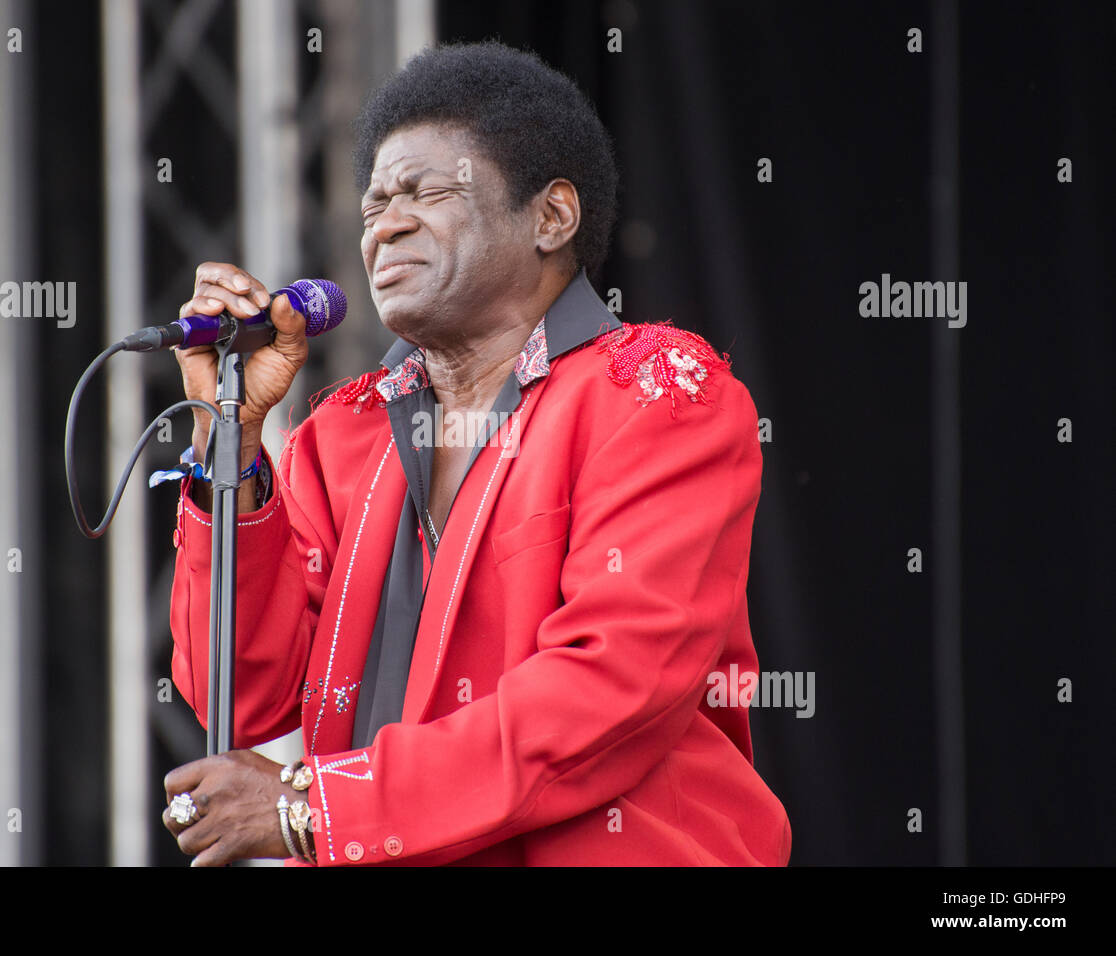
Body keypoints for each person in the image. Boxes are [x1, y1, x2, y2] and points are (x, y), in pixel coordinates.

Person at [159, 41, 791, 866]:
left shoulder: (659, 393)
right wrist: (227, 438)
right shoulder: (341, 435)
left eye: (426, 191)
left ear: (551, 217)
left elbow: (607, 690)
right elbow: (241, 697)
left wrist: (313, 809)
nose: (386, 223)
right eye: (373, 204)